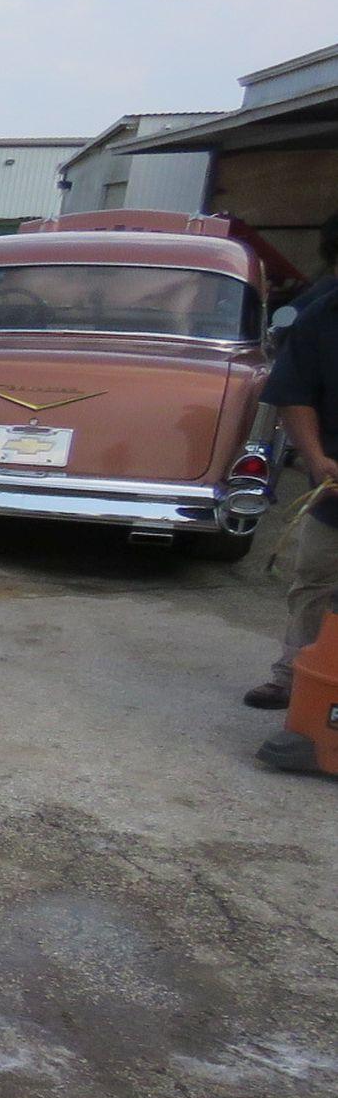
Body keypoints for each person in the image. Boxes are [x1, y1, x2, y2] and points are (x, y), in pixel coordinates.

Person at [246, 281, 338, 773]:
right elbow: (295, 394)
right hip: (335, 484)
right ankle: (297, 680)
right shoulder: (317, 318)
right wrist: (318, 459)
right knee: (315, 582)